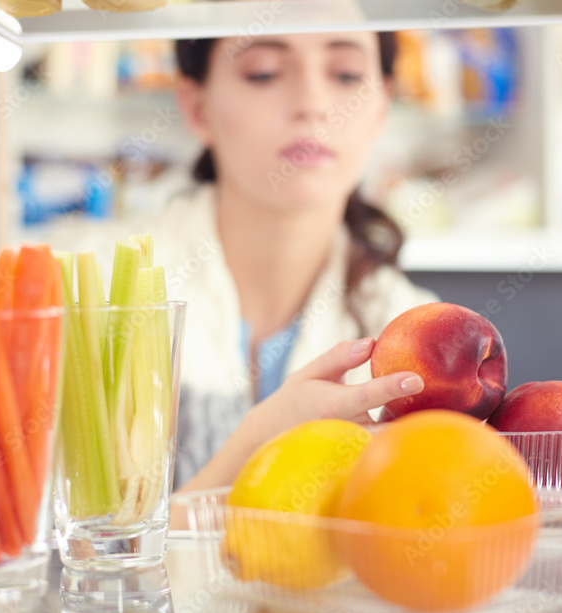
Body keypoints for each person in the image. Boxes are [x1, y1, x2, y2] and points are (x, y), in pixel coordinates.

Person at [155, 32, 436, 502]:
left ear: (381, 106)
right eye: (264, 72)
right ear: (197, 106)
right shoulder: (89, 293)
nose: (312, 104)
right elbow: (70, 556)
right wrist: (253, 450)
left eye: (346, 74)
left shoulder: (417, 334)